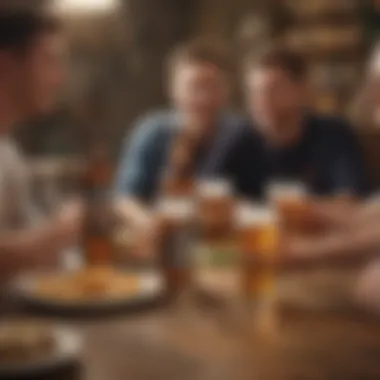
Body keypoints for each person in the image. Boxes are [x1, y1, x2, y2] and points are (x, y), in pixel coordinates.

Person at [114, 40, 252, 254]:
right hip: (160, 247)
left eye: (212, 86)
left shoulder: (242, 135)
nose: (203, 98)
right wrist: (150, 224)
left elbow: (258, 201)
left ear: (227, 91)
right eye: (194, 87)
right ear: (173, 90)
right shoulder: (152, 131)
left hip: (223, 251)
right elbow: (125, 198)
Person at [0, 9, 83, 279]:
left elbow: (42, 251)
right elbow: (41, 246)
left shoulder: (8, 153)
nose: (59, 78)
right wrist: (56, 236)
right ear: (6, 65)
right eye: (49, 61)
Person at [239, 45, 369, 198]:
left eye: (273, 90)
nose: (262, 101)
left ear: (301, 90)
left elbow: (350, 198)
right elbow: (211, 188)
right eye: (255, 93)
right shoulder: (242, 138)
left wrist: (300, 210)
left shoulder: (332, 135)